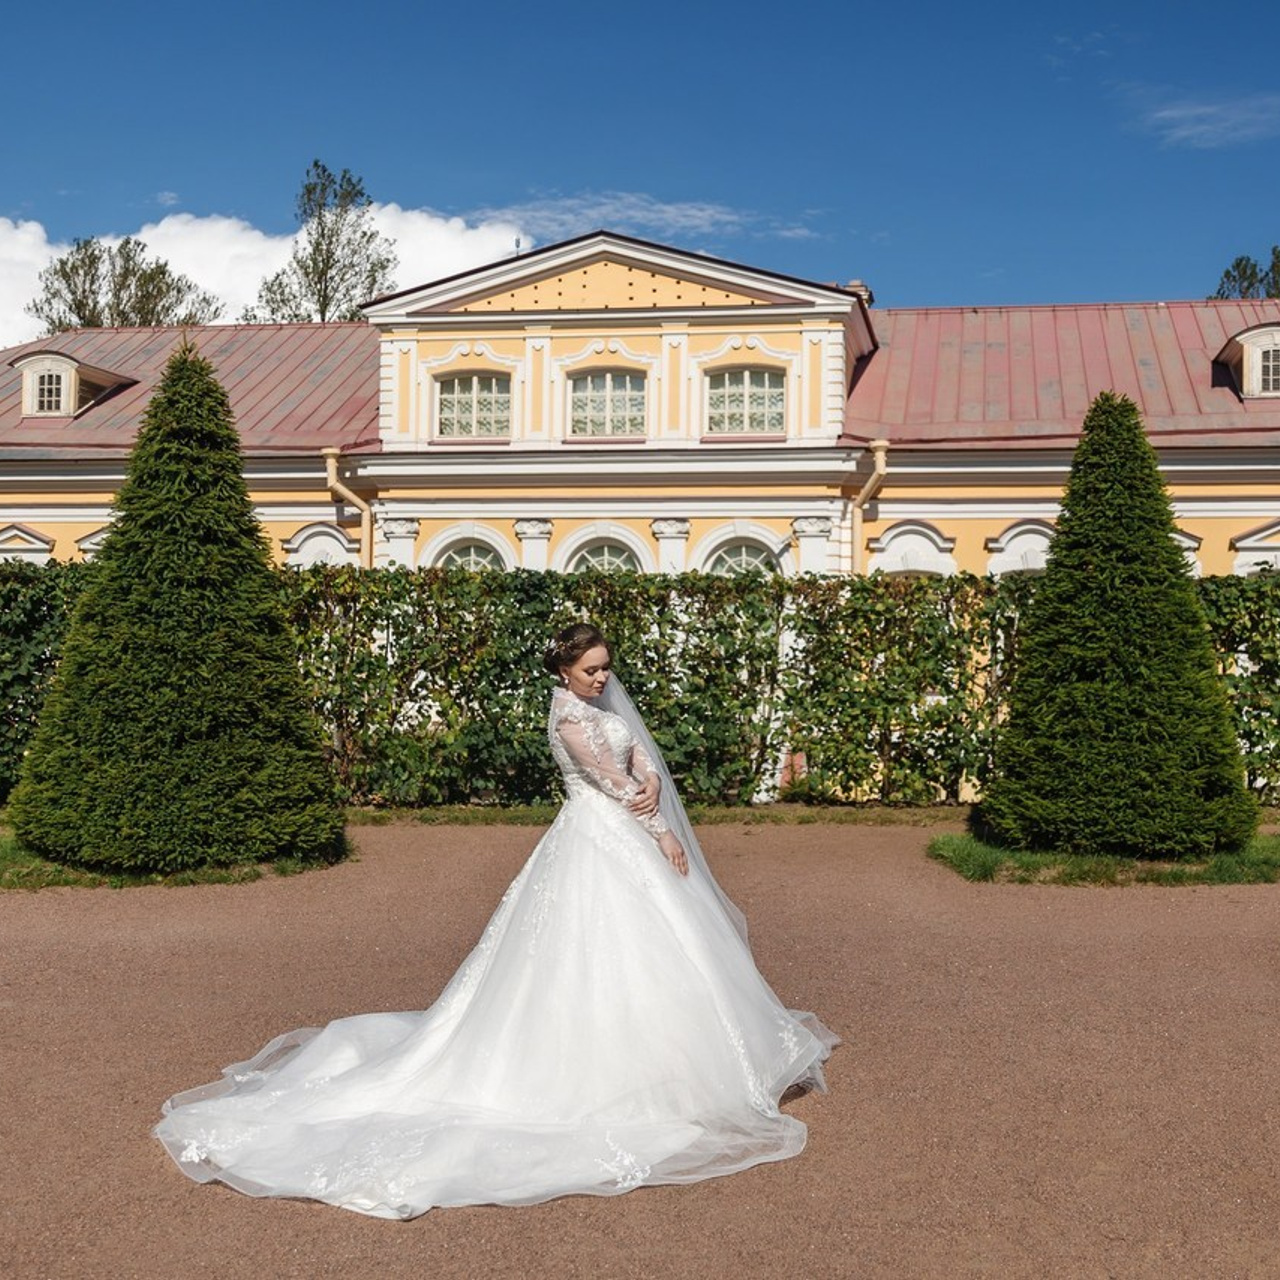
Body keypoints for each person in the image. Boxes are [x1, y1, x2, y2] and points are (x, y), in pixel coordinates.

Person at [154, 622, 837, 1219]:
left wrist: (653, 787)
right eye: (591, 669)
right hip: (596, 842)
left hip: (623, 836)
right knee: (587, 955)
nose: (603, 678)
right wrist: (655, 816)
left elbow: (633, 766)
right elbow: (609, 780)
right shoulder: (568, 717)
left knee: (666, 951)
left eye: (606, 668)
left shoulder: (596, 703)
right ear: (564, 670)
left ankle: (700, 1061)